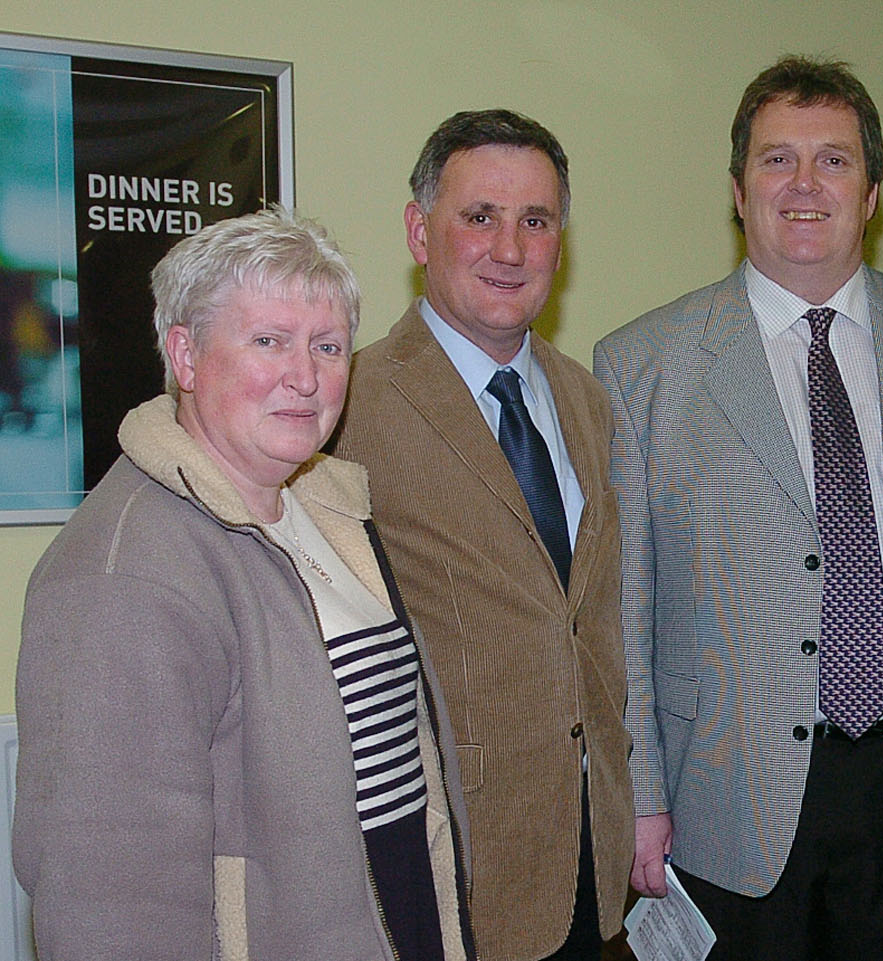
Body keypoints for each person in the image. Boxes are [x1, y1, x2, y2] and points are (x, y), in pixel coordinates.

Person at [594, 55, 883, 961]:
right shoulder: (643, 365)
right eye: (777, 159)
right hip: (726, 800)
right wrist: (640, 796)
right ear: (739, 191)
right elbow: (626, 609)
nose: (805, 184)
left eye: (834, 160)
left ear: (872, 192)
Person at [12, 207, 475, 960]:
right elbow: (111, 904)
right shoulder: (122, 573)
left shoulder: (327, 512)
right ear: (186, 357)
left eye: (327, 346)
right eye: (268, 340)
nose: (306, 376)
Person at [331, 110, 629, 961]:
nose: (509, 248)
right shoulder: (349, 405)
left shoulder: (586, 399)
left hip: (592, 850)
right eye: (480, 216)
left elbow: (586, 619)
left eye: (535, 220)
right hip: (452, 857)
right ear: (419, 230)